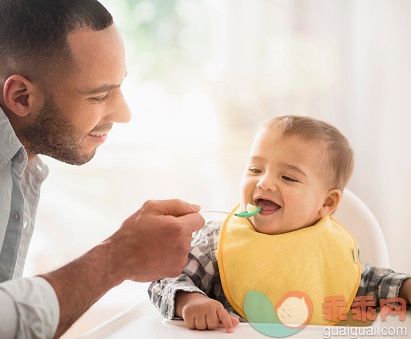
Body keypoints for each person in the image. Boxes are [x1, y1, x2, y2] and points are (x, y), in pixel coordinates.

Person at [0, 1, 204, 338]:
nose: (124, 113)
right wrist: (118, 257)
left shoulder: (17, 161)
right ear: (20, 97)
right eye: (98, 96)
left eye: (118, 87)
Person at [149, 115, 411, 333]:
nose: (263, 182)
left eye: (287, 177)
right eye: (255, 170)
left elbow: (365, 283)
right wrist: (189, 300)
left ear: (327, 203)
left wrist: (404, 287)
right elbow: (164, 278)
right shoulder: (217, 242)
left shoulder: (329, 250)